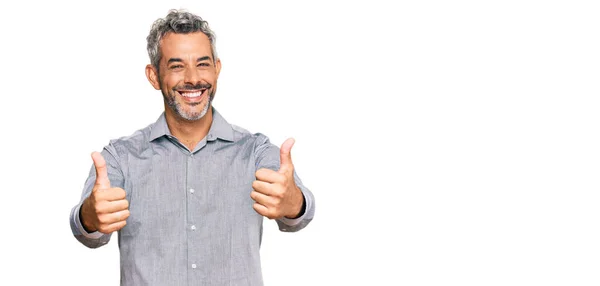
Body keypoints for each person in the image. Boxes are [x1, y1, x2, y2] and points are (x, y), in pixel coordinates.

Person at [69, 9, 315, 286]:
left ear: (217, 69)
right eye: (176, 66)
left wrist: (292, 201)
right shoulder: (120, 157)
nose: (193, 78)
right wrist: (90, 215)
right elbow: (87, 232)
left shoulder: (255, 151)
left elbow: (299, 215)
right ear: (153, 76)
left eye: (202, 64)